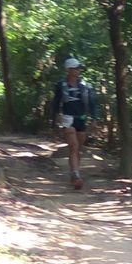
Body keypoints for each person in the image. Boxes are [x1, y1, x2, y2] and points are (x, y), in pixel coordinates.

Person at [49, 57, 98, 189]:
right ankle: (76, 175)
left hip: (81, 118)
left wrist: (94, 118)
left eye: (79, 68)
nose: (78, 70)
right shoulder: (61, 85)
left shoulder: (85, 86)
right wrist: (54, 120)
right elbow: (56, 103)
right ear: (69, 70)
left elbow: (92, 103)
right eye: (75, 68)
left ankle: (74, 173)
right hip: (68, 118)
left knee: (78, 148)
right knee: (73, 146)